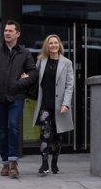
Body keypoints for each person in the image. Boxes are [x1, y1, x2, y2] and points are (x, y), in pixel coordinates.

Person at [0, 20, 38, 179]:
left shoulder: (25, 53)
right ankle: (5, 163)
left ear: (17, 34)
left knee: (13, 126)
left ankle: (14, 163)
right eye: (5, 30)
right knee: (3, 131)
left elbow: (33, 73)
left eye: (10, 31)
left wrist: (21, 83)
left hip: (17, 96)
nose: (7, 33)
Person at [30, 34, 74, 175]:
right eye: (50, 43)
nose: (53, 45)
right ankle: (44, 164)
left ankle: (54, 162)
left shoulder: (67, 63)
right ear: (47, 46)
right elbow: (35, 77)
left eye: (55, 43)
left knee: (57, 136)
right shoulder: (41, 61)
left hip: (60, 106)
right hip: (45, 104)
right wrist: (27, 77)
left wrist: (66, 104)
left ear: (59, 45)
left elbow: (69, 85)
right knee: (45, 134)